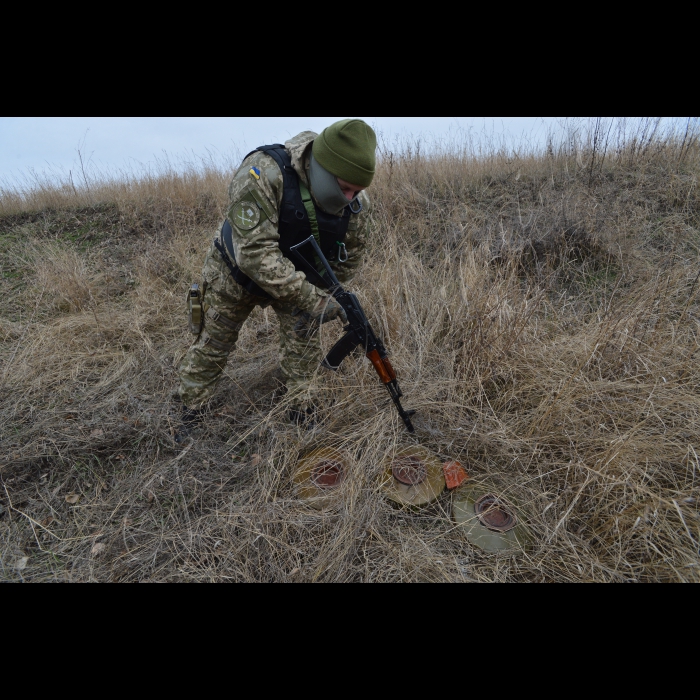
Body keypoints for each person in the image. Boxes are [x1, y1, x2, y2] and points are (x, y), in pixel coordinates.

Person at [177, 119, 377, 437]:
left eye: (358, 190)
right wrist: (312, 299)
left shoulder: (356, 205)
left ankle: (301, 411)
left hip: (299, 278)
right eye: (345, 187)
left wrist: (324, 295)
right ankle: (191, 411)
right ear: (323, 167)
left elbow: (349, 257)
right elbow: (253, 253)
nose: (350, 197)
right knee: (214, 344)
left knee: (304, 350)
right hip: (235, 273)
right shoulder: (263, 172)